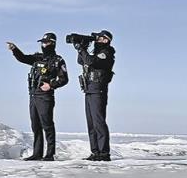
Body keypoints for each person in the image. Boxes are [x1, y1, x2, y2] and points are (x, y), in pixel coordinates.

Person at [7, 32, 69, 161]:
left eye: (46, 42)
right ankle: (37, 153)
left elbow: (64, 79)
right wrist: (15, 50)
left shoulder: (58, 60)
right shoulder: (37, 58)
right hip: (33, 95)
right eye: (42, 42)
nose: (43, 45)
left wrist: (51, 85)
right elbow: (23, 58)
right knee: (35, 125)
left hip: (45, 96)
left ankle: (50, 154)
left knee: (47, 125)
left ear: (52, 43)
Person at [72, 30, 115, 161]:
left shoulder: (106, 53)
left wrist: (82, 49)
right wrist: (82, 48)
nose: (96, 40)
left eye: (99, 38)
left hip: (98, 90)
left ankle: (104, 153)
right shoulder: (95, 53)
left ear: (106, 40)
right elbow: (81, 61)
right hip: (89, 89)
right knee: (91, 123)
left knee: (98, 122)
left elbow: (90, 62)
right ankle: (95, 152)